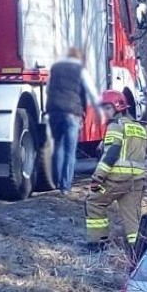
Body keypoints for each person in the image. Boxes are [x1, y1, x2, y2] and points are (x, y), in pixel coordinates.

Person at [84, 90, 147, 254]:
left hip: (114, 181)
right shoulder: (139, 127)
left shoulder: (115, 125)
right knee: (132, 217)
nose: (104, 112)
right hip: (136, 183)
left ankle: (97, 245)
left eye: (106, 108)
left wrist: (98, 177)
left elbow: (111, 154)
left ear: (117, 106)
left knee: (94, 201)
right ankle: (138, 252)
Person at [46, 47, 101, 196]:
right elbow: (90, 91)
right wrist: (100, 111)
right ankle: (65, 187)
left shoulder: (55, 68)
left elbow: (48, 88)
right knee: (70, 151)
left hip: (54, 111)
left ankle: (58, 183)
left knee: (58, 146)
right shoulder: (80, 70)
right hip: (72, 112)